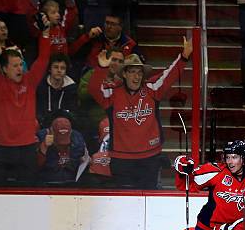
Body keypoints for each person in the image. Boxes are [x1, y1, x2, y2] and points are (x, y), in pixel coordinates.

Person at [88, 37, 192, 189]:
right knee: (124, 203)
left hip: (149, 158)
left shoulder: (152, 89)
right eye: (132, 72)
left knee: (148, 201)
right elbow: (93, 89)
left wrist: (183, 56)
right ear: (124, 74)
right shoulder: (112, 93)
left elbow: (169, 75)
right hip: (121, 159)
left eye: (139, 72)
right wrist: (101, 68)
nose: (136, 77)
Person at [0, 16, 51, 185]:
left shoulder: (30, 80)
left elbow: (43, 59)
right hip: (1, 148)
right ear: (4, 69)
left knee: (28, 194)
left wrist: (45, 34)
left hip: (27, 148)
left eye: (21, 64)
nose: (20, 68)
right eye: (15, 66)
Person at [36, 113, 89, 183]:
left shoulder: (77, 139)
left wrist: (86, 160)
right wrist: (44, 148)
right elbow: (33, 168)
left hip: (72, 184)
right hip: (47, 185)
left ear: (70, 133)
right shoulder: (41, 138)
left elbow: (85, 162)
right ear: (52, 132)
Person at [36, 53, 78, 126]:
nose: (59, 70)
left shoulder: (71, 88)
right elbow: (38, 111)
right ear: (49, 69)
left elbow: (73, 113)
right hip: (43, 125)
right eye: (56, 67)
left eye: (62, 68)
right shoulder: (41, 86)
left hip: (64, 126)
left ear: (66, 71)